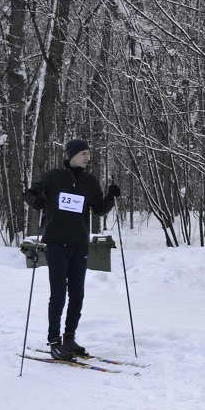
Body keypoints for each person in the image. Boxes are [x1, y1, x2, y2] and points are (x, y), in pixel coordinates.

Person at [24, 139, 120, 361]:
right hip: (56, 244)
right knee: (58, 294)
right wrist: (36, 201)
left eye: (89, 153)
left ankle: (69, 337)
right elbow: (29, 193)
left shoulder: (89, 182)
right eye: (83, 153)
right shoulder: (53, 177)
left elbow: (99, 210)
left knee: (77, 294)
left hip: (79, 245)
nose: (87, 157)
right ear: (71, 155)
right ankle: (54, 341)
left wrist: (112, 198)